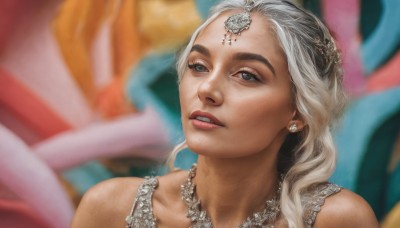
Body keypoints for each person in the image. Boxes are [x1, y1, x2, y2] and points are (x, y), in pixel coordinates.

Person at [71, 0, 380, 227]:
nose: (206, 89)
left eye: (246, 75)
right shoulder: (110, 209)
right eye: (198, 66)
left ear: (297, 111)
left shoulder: (337, 219)